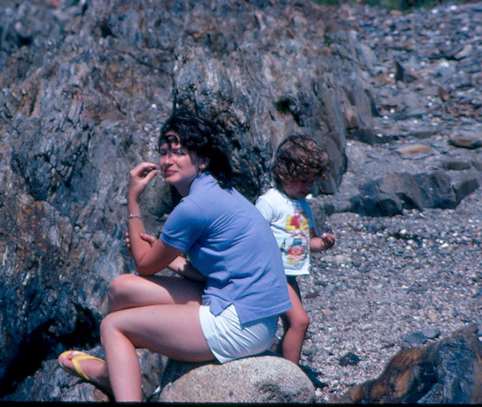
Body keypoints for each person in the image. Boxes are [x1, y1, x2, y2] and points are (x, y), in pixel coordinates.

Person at [58, 110, 292, 402]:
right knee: (121, 289)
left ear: (203, 159)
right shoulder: (221, 192)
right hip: (249, 310)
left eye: (178, 153)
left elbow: (143, 263)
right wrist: (170, 259)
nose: (167, 161)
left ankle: (123, 391)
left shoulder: (193, 207)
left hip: (240, 324)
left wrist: (133, 199)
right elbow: (218, 271)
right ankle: (116, 374)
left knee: (112, 325)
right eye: (164, 152)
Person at [255, 134, 336, 365]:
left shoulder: (303, 206)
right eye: (302, 180)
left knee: (292, 324)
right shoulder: (269, 202)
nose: (307, 187)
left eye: (311, 181)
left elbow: (308, 241)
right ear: (284, 173)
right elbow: (252, 236)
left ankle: (282, 364)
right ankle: (291, 373)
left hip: (290, 276)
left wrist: (323, 243)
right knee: (300, 322)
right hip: (273, 273)